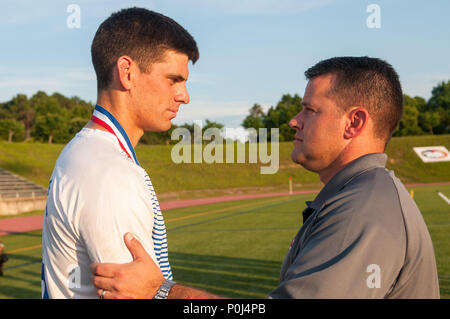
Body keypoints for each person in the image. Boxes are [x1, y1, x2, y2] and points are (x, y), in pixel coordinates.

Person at [90, 56, 440, 299]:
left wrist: (161, 291)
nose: (294, 120)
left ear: (354, 123)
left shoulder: (365, 207)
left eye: (309, 110)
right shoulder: (359, 194)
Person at [41, 7, 199, 298]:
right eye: (174, 79)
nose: (184, 96)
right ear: (127, 72)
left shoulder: (84, 150)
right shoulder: (110, 173)